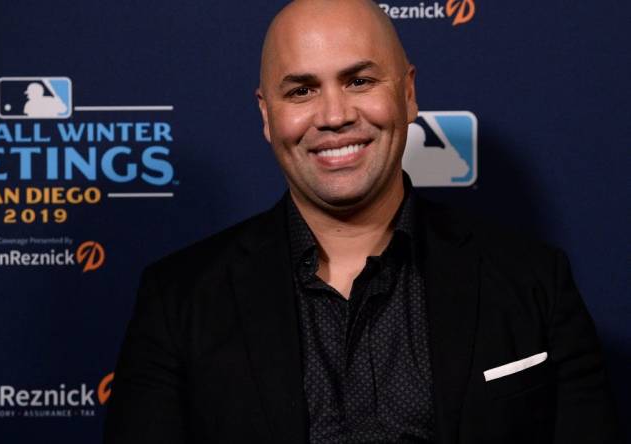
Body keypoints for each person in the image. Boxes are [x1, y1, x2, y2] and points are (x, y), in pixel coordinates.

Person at [103, 0, 620, 442]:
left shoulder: (533, 281)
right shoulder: (178, 299)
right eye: (301, 90)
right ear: (266, 115)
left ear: (408, 93)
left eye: (359, 80)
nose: (334, 114)